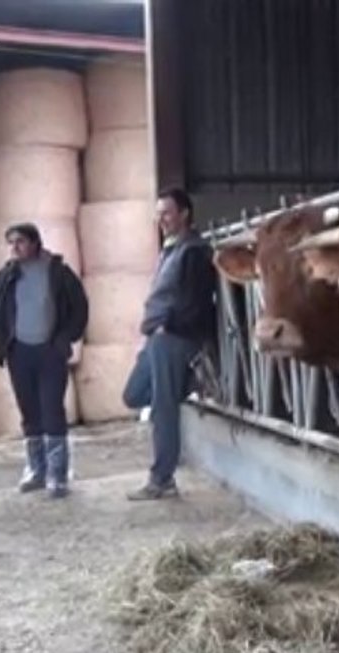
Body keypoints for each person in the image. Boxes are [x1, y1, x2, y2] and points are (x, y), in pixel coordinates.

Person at [122, 187, 219, 500]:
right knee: (134, 395)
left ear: (185, 214)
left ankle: (162, 479)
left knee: (163, 410)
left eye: (167, 212)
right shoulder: (171, 249)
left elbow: (198, 301)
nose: (161, 219)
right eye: (158, 213)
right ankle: (188, 382)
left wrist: (169, 326)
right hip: (158, 338)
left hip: (173, 339)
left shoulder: (194, 251)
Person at [0, 223, 88, 498]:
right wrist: (2, 341)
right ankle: (36, 469)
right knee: (29, 411)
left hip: (50, 351)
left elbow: (79, 307)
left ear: (35, 243)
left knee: (52, 408)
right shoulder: (5, 277)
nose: (14, 248)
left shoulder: (58, 273)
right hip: (20, 353)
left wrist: (65, 338)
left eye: (20, 242)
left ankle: (58, 473)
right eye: (11, 243)